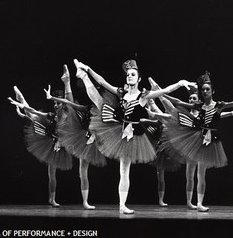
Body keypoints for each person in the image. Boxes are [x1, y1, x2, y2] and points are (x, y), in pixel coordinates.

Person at [73, 58, 194, 214]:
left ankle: (122, 205)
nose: (129, 76)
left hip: (131, 134)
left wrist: (180, 83)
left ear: (139, 79)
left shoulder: (143, 96)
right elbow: (102, 82)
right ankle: (83, 76)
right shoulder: (121, 92)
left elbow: (165, 91)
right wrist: (88, 69)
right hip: (116, 124)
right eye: (128, 74)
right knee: (99, 101)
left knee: (124, 170)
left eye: (133, 74)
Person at [161, 71, 233, 212]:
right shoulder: (198, 106)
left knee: (201, 173)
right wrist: (159, 94)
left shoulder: (219, 105)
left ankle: (199, 203)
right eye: (203, 89)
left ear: (213, 91)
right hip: (197, 138)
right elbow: (178, 102)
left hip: (210, 140)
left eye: (207, 89)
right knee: (191, 172)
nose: (205, 91)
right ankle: (190, 202)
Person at [43, 65, 107, 209]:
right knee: (54, 168)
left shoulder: (103, 108)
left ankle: (85, 202)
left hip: (86, 137)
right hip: (72, 134)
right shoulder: (85, 109)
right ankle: (52, 198)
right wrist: (60, 89)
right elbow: (68, 102)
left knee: (83, 171)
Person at [9, 86, 72, 207]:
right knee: (34, 116)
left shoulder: (67, 115)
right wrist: (21, 107)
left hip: (63, 141)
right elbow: (34, 111)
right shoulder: (52, 115)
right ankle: (52, 199)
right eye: (54, 103)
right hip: (50, 135)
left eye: (58, 103)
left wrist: (61, 141)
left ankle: (52, 199)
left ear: (63, 105)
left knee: (53, 173)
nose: (55, 105)